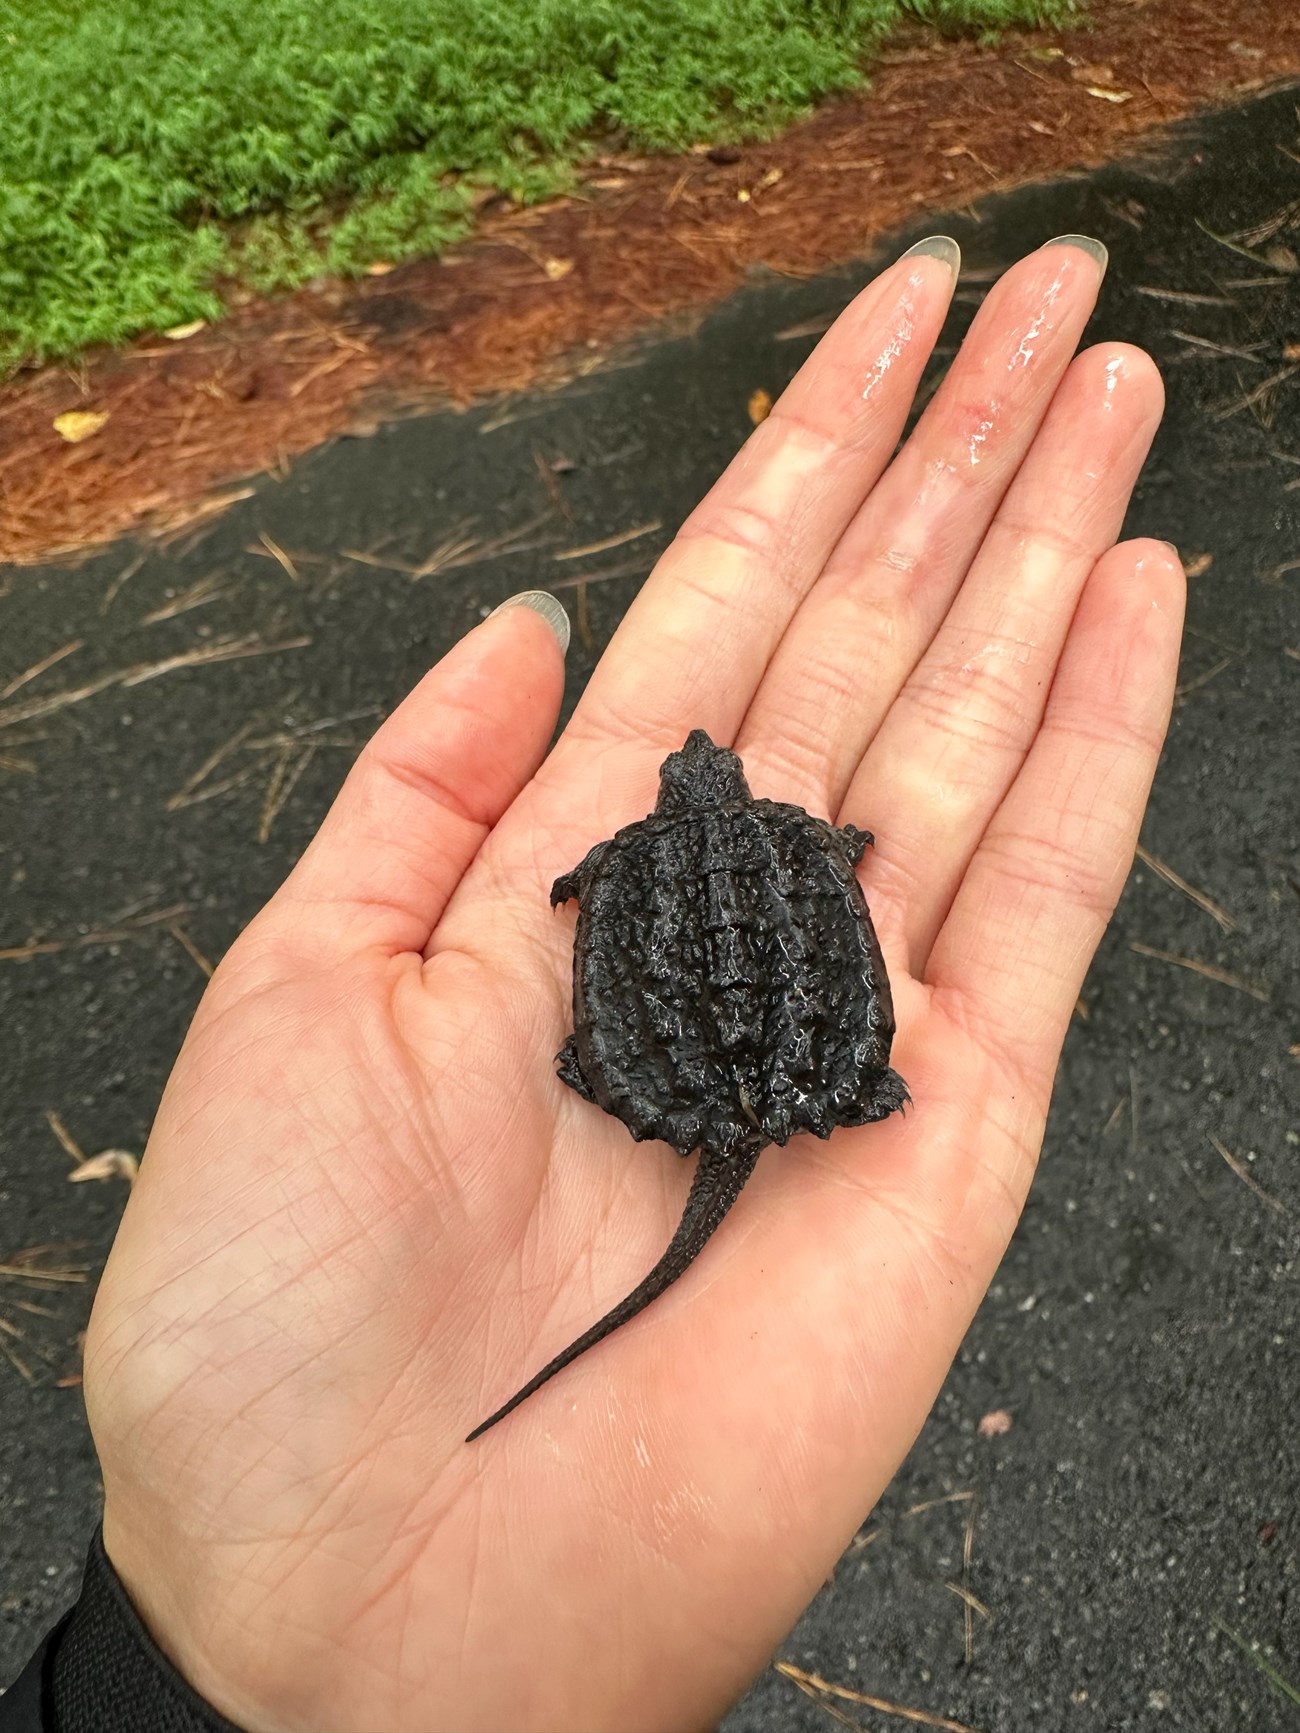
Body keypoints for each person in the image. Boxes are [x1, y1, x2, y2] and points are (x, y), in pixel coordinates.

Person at [1, 234, 1184, 1733]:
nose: (703, 767)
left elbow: (626, 881)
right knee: (791, 1004)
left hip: (687, 1068)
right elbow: (831, 852)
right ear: (727, 794)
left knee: (663, 1009)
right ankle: (841, 1084)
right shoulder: (773, 835)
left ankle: (691, 1083)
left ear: (696, 792)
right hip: (796, 1065)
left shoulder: (644, 852)